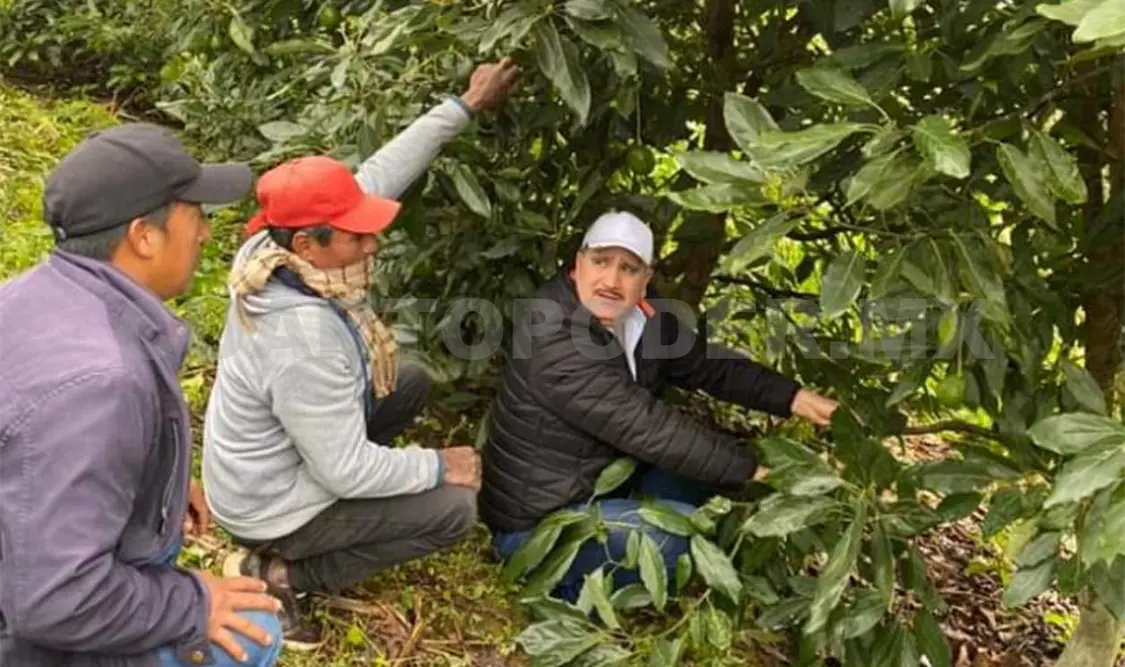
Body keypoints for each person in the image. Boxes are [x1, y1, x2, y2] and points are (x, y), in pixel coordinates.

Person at [201, 59, 521, 649]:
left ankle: (324, 513)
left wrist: (465, 105)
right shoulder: (304, 341)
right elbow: (342, 470)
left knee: (411, 379)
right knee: (452, 510)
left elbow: (380, 172)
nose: (372, 242)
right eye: (357, 235)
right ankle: (278, 572)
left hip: (266, 460)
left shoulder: (269, 248)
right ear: (308, 244)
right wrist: (435, 465)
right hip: (269, 504)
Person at [0, 124, 284, 667]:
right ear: (143, 236)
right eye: (194, 213)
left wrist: (160, 478)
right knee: (255, 634)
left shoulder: (32, 297)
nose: (203, 232)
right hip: (29, 636)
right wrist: (191, 601)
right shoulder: (99, 383)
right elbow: (56, 601)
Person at [480, 211, 839, 601]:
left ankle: (622, 536)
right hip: (538, 526)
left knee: (709, 485)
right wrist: (761, 473)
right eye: (601, 262)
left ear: (646, 280)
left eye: (628, 269)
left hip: (599, 485)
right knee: (684, 536)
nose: (611, 281)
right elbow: (648, 427)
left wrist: (794, 397)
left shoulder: (641, 319)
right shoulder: (552, 335)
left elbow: (706, 364)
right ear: (578, 264)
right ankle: (563, 585)